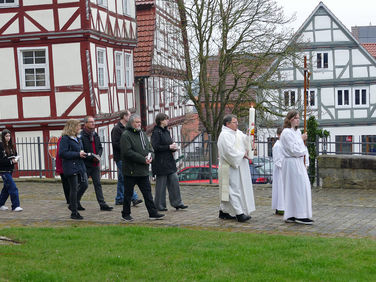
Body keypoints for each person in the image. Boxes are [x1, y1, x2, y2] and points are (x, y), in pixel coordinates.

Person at [120, 114, 165, 222]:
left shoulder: (143, 134)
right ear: (131, 123)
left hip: (143, 170)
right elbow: (127, 152)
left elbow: (150, 149)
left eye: (139, 121)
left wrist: (150, 157)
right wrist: (142, 159)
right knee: (128, 194)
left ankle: (153, 213)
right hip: (131, 170)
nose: (139, 123)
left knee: (147, 193)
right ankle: (126, 214)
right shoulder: (126, 135)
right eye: (136, 122)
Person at [217, 114, 255, 222]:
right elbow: (228, 152)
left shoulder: (237, 133)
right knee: (232, 189)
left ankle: (223, 211)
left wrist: (249, 137)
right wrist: (242, 154)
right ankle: (239, 214)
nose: (237, 124)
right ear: (227, 124)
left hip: (238, 166)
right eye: (234, 122)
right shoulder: (224, 135)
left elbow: (245, 141)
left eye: (237, 122)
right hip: (229, 166)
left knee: (229, 189)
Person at [280, 110, 313, 225]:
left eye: (299, 118)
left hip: (298, 162)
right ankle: (298, 214)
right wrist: (301, 139)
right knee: (296, 188)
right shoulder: (286, 133)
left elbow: (303, 149)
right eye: (295, 118)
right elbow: (293, 149)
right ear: (289, 120)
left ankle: (296, 213)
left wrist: (306, 161)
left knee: (303, 187)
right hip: (291, 163)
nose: (298, 120)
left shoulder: (298, 131)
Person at [151, 113, 188, 211]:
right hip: (160, 162)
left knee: (174, 181)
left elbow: (169, 144)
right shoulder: (156, 132)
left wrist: (173, 148)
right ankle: (159, 205)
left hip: (169, 161)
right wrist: (168, 147)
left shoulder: (166, 131)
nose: (168, 121)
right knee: (161, 185)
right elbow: (155, 147)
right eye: (166, 119)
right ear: (160, 121)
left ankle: (177, 202)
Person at [79, 116, 113, 211]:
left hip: (95, 164)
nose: (93, 124)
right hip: (86, 164)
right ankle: (75, 201)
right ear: (85, 124)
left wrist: (98, 155)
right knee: (83, 184)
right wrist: (92, 157)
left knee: (98, 184)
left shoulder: (95, 134)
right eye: (91, 122)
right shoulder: (82, 136)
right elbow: (82, 151)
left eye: (93, 122)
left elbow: (100, 147)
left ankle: (102, 204)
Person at [111, 110, 142, 206]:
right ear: (124, 116)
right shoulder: (116, 129)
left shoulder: (128, 128)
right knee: (126, 177)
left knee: (121, 178)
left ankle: (119, 198)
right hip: (120, 157)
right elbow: (115, 144)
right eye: (129, 116)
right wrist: (127, 147)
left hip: (127, 157)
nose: (131, 117)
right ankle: (134, 197)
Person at [59, 119, 88, 220]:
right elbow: (62, 153)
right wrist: (77, 154)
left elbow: (79, 149)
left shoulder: (77, 138)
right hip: (70, 166)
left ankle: (73, 204)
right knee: (74, 188)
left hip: (79, 165)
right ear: (72, 127)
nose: (79, 128)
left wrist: (83, 153)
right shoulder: (65, 139)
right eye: (77, 126)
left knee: (85, 184)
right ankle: (74, 212)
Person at [0, 129, 23, 212]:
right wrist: (10, 161)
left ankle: (0, 204)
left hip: (10, 169)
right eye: (6, 136)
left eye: (9, 136)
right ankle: (15, 206)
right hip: (3, 171)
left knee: (6, 188)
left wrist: (16, 159)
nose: (8, 138)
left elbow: (14, 155)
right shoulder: (0, 146)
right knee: (13, 187)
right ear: (3, 137)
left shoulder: (11, 146)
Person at [271, 127, 284, 215]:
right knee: (280, 189)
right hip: (280, 171)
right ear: (278, 135)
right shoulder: (277, 146)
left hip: (284, 170)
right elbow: (277, 160)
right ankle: (280, 207)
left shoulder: (284, 144)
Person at [56, 136, 70, 204]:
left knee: (67, 183)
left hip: (65, 165)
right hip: (64, 165)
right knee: (66, 184)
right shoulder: (62, 139)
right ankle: (69, 200)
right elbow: (61, 153)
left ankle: (70, 199)